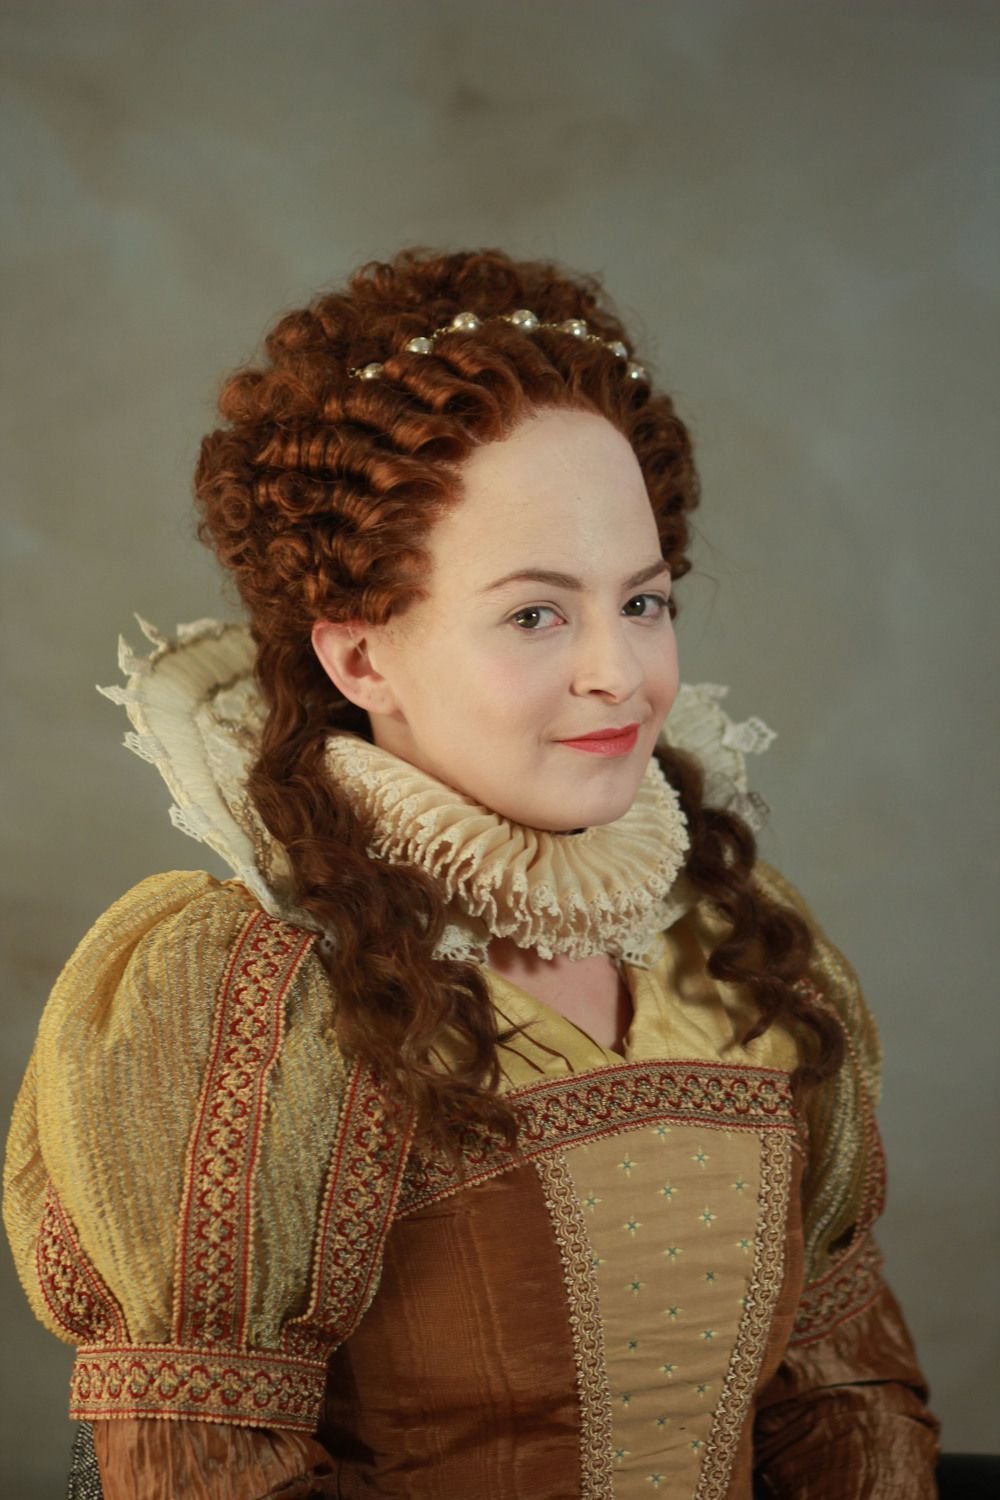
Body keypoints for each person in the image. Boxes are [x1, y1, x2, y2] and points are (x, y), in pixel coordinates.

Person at [4, 248, 940, 1498]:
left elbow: (843, 1407)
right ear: (360, 657)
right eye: (535, 615)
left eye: (644, 602)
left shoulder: (745, 952)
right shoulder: (256, 998)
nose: (619, 673)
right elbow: (197, 1466)